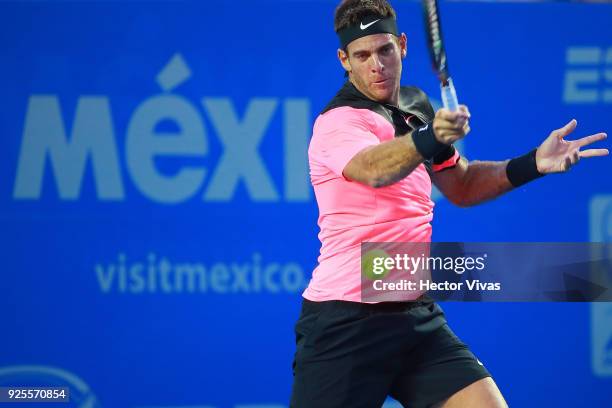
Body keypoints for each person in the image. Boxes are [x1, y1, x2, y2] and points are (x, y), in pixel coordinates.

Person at [289, 0, 608, 407]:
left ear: (402, 45)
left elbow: (462, 185)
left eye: (384, 50)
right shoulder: (339, 121)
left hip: (414, 312)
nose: (376, 65)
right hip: (347, 318)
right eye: (362, 55)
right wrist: (429, 138)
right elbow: (372, 169)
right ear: (344, 60)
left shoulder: (417, 108)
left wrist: (534, 164)